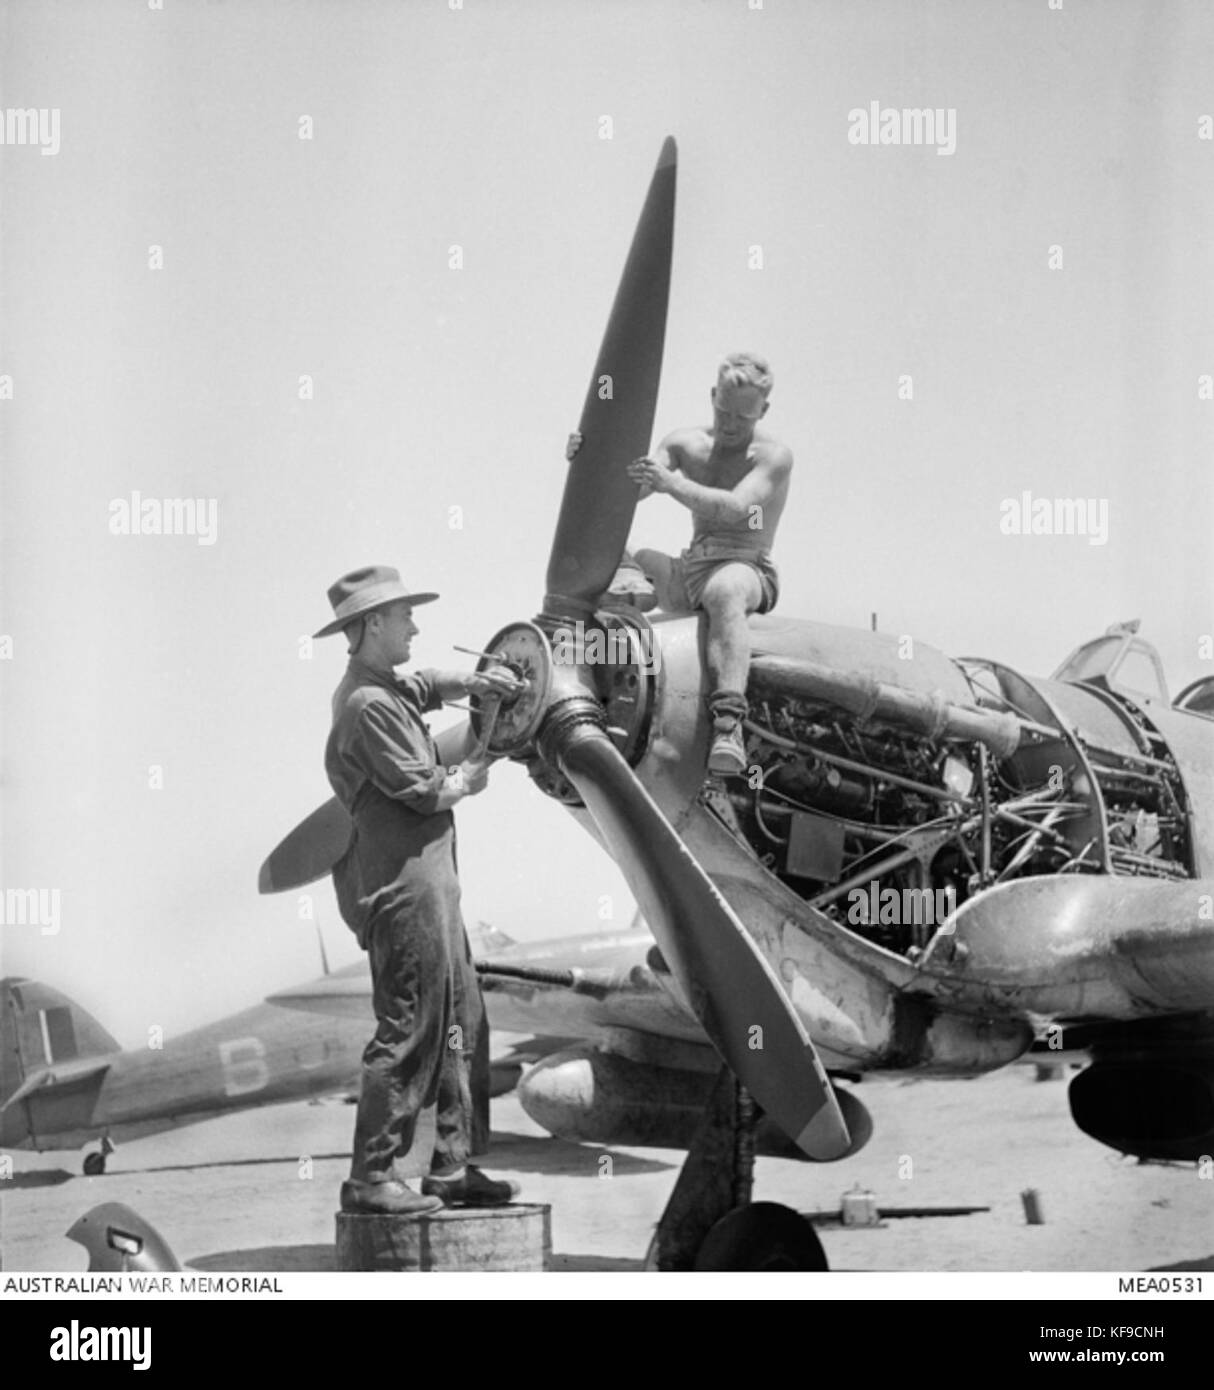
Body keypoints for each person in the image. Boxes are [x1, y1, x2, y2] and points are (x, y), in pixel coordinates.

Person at [315, 565, 524, 1215]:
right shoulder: (365, 705)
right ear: (372, 624)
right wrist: (473, 774)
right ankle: (371, 1178)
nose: (415, 625)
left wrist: (478, 679)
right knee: (409, 1028)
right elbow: (425, 789)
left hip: (432, 881)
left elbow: (429, 683)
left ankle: (453, 1167)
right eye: (404, 616)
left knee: (465, 1020)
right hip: (403, 889)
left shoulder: (386, 687)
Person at [572, 351, 792, 775]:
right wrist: (587, 461)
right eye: (723, 411)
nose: (730, 424)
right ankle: (597, 681)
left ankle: (729, 725)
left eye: (743, 418)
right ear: (712, 395)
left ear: (763, 411)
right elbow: (626, 493)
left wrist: (671, 482)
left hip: (744, 566)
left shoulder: (774, 457)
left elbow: (735, 508)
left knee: (725, 590)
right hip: (688, 571)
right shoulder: (683, 443)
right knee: (609, 550)